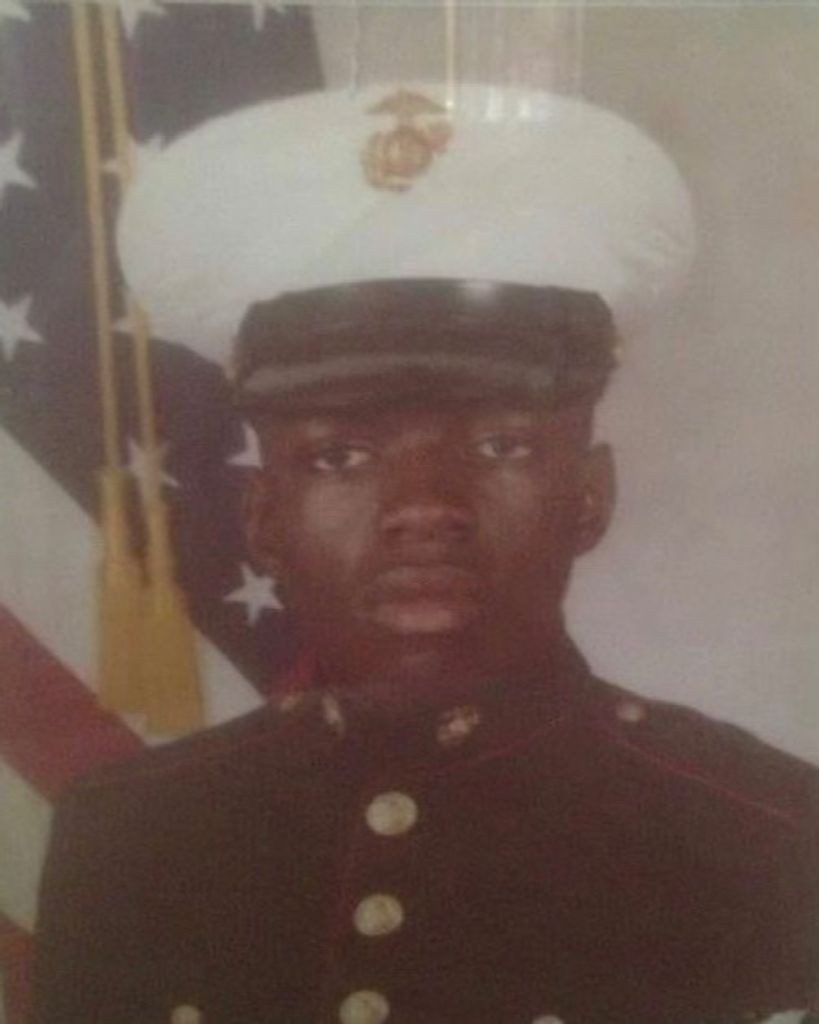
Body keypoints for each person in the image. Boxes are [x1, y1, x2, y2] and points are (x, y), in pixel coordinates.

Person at [34, 84, 819, 1024]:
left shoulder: (770, 837)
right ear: (262, 519)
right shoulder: (127, 836)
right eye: (340, 457)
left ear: (589, 496)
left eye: (499, 446)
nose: (423, 509)